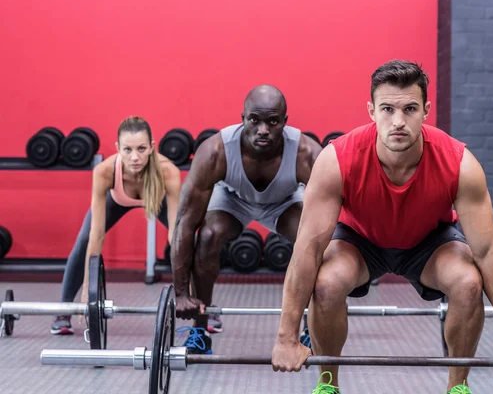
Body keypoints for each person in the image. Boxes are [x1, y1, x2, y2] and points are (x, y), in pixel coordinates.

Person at [271, 60, 493, 394]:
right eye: (387, 109)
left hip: (429, 243)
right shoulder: (338, 159)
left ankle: (458, 387)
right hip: (359, 241)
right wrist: (286, 337)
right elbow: (307, 250)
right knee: (325, 284)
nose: (398, 121)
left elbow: (488, 250)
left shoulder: (459, 163)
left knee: (469, 282)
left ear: (425, 110)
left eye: (409, 109)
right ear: (371, 111)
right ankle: (328, 384)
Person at [169, 84, 322, 354]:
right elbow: (184, 224)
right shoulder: (215, 152)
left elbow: (331, 220)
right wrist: (181, 293)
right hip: (233, 199)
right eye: (255, 120)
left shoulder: (307, 155)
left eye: (272, 122)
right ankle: (200, 329)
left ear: (284, 123)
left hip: (284, 201)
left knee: (311, 238)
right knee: (207, 236)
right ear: (243, 119)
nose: (263, 130)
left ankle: (312, 328)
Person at [51, 116, 181, 335]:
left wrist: (184, 292)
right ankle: (64, 310)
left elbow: (175, 234)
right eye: (127, 150)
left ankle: (203, 305)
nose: (135, 157)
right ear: (117, 149)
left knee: (188, 241)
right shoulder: (105, 171)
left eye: (141, 148)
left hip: (156, 199)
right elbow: (97, 234)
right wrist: (87, 291)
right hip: (117, 199)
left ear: (152, 147)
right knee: (84, 240)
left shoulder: (168, 171)